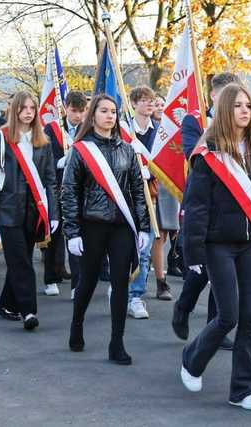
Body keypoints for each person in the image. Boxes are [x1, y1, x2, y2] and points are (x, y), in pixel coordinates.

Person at [179, 83, 251, 411]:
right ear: (225, 109)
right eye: (238, 105)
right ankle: (192, 359)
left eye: (248, 106)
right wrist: (192, 250)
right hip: (217, 244)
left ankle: (242, 390)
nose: (244, 111)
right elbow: (196, 206)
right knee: (228, 316)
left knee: (249, 317)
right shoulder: (208, 153)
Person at [172, 72, 251, 351]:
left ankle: (216, 324)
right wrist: (214, 131)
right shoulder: (196, 121)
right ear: (214, 95)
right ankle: (184, 306)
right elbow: (193, 152)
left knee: (223, 279)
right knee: (200, 272)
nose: (238, 105)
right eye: (228, 94)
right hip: (207, 200)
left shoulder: (246, 126)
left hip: (237, 208)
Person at [62, 94, 150, 364]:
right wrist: (72, 231)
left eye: (113, 111)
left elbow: (137, 190)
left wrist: (144, 227)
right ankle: (77, 325)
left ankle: (117, 343)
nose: (110, 116)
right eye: (104, 111)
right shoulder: (81, 150)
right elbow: (69, 192)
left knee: (120, 282)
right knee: (87, 282)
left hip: (121, 226)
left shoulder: (127, 149)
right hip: (92, 225)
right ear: (94, 116)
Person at [0, 91, 58, 330]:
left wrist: (53, 212)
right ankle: (28, 312)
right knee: (22, 262)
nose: (28, 112)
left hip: (34, 211)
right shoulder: (2, 138)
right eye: (23, 108)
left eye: (32, 108)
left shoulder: (43, 141)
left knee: (19, 259)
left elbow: (50, 179)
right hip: (7, 209)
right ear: (14, 110)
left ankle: (7, 304)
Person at [42, 90, 87, 298]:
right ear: (65, 108)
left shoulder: (88, 129)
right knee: (53, 234)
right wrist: (58, 162)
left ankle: (77, 284)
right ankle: (51, 278)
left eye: (81, 111)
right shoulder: (52, 129)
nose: (77, 115)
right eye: (73, 110)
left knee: (76, 235)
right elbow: (43, 156)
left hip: (78, 190)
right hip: (56, 187)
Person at [124, 86, 161, 319]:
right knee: (124, 248)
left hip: (149, 196)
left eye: (152, 101)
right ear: (134, 103)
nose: (150, 104)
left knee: (145, 249)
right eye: (145, 101)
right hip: (125, 196)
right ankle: (120, 285)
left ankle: (135, 296)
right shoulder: (124, 131)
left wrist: (152, 171)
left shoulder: (158, 132)